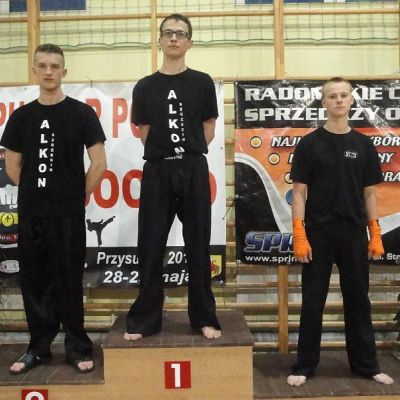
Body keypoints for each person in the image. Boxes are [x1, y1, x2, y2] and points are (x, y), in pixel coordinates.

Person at [1, 44, 107, 374]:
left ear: (64, 71)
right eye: (42, 65)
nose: (48, 71)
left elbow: (99, 163)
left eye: (55, 66)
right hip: (32, 213)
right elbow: (13, 166)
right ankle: (39, 348)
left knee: (69, 281)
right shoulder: (21, 117)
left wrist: (74, 196)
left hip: (68, 215)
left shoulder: (82, 113)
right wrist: (38, 194)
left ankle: (78, 346)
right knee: (35, 282)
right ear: (34, 71)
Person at [287, 77, 393, 387]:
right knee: (313, 302)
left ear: (351, 100)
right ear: (324, 102)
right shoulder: (309, 144)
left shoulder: (363, 144)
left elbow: (370, 193)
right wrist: (299, 233)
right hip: (318, 234)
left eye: (343, 95)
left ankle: (366, 365)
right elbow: (299, 192)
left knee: (358, 301)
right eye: (332, 96)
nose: (338, 100)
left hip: (353, 234)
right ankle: (304, 366)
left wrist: (375, 232)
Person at [124, 14, 221, 341]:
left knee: (198, 245)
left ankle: (204, 317)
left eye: (180, 34)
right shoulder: (145, 86)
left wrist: (186, 151)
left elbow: (209, 127)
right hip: (158, 170)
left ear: (189, 41)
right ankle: (145, 320)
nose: (174, 38)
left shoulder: (202, 82)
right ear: (160, 40)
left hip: (193, 168)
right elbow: (145, 131)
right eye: (168, 33)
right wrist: (167, 153)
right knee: (150, 246)